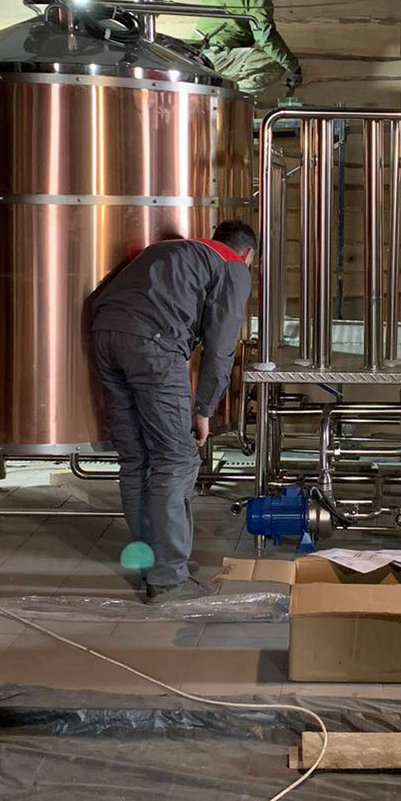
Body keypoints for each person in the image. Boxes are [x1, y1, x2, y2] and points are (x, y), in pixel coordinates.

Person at [89, 221, 257, 599]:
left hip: (103, 337)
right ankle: (168, 578)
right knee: (176, 460)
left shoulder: (167, 251)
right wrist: (205, 409)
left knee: (136, 459)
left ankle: (151, 563)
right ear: (246, 255)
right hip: (153, 346)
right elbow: (220, 348)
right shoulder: (232, 266)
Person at [193, 0, 302, 98]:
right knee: (276, 63)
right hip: (219, 56)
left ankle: (225, 96)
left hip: (196, 52)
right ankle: (235, 100)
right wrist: (293, 67)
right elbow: (265, 36)